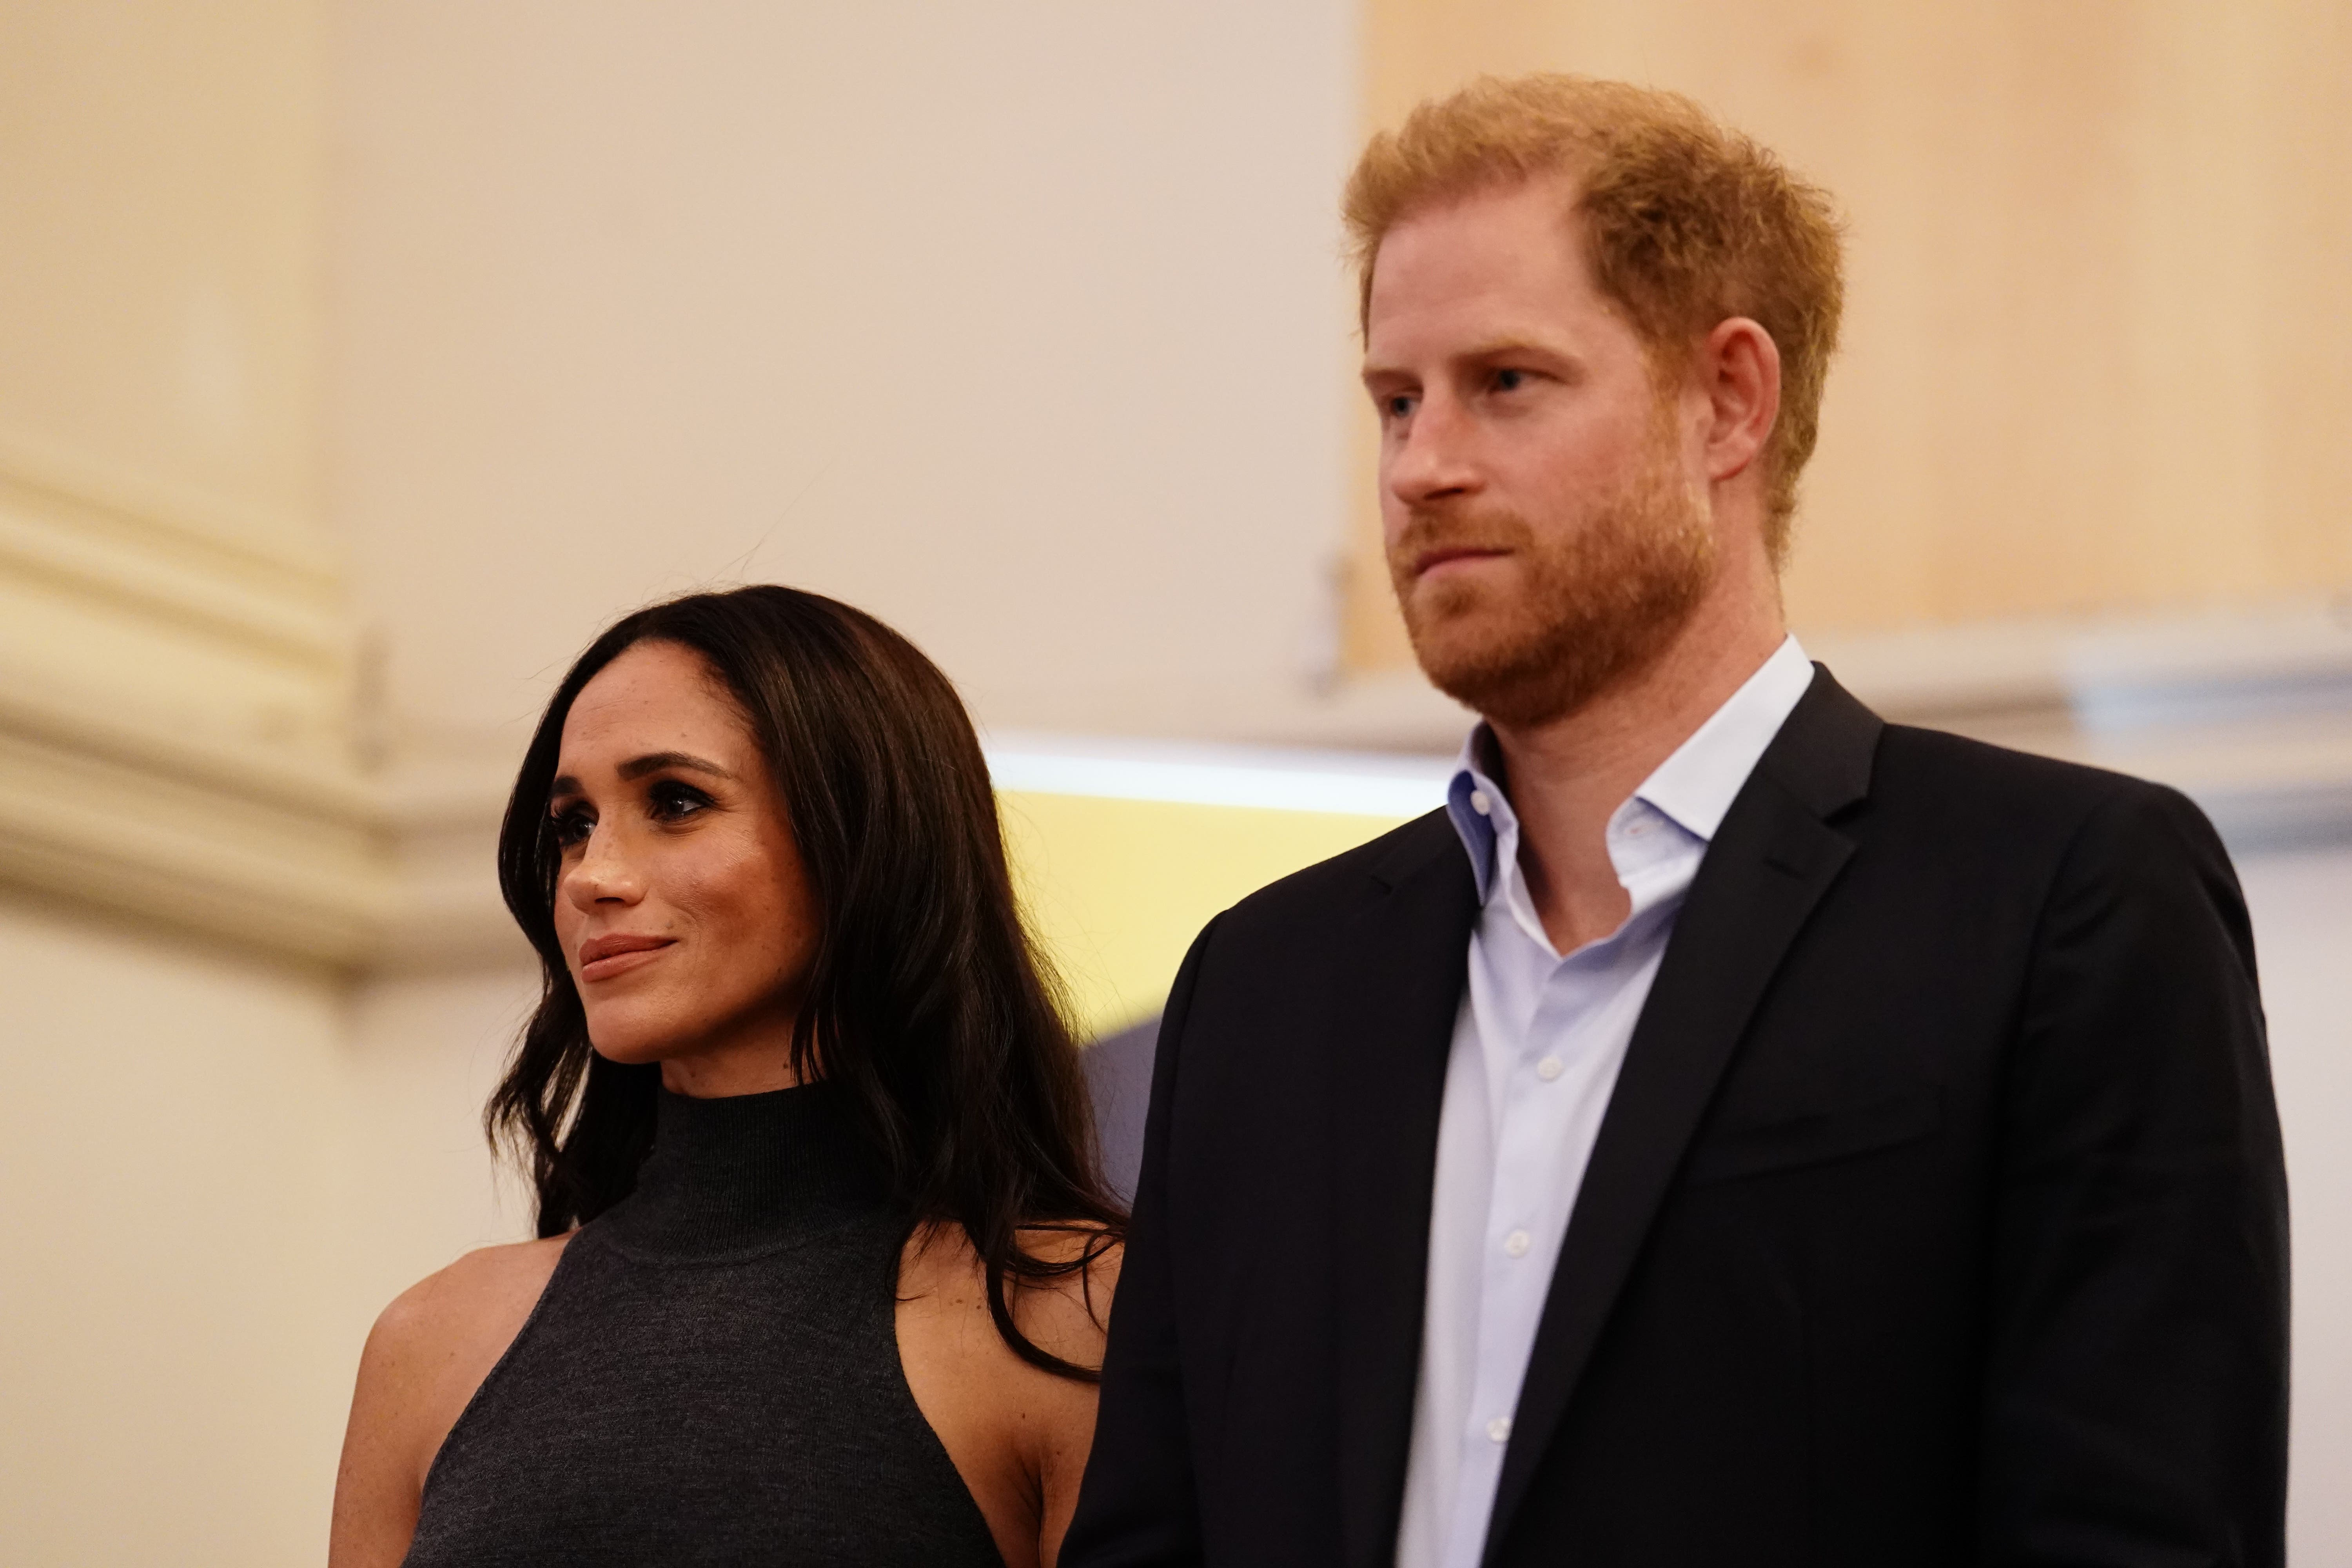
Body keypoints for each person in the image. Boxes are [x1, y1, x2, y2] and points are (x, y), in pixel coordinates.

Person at [1064, 74, 2288, 1568]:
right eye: (1396, 399)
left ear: (1729, 400)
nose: (1421, 465)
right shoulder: (1265, 985)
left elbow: (2137, 1528)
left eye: (1506, 381)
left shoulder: (2062, 901)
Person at [330, 586, 1123, 1568]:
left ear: (866, 834)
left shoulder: (1068, 1314)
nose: (589, 874)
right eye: (575, 823)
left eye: (675, 801)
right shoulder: (431, 1341)